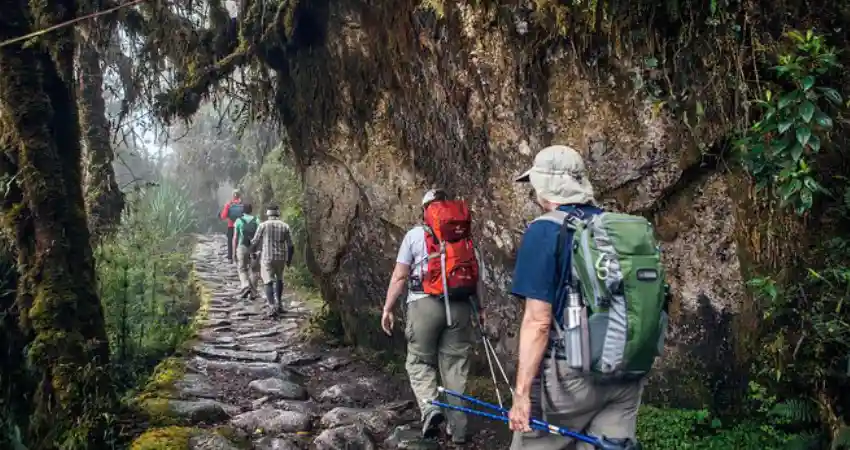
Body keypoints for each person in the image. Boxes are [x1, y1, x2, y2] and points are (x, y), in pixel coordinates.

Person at [508, 145, 666, 450]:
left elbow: (538, 322)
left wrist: (521, 394)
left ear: (546, 186)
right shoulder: (614, 228)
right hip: (626, 371)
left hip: (570, 378)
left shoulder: (544, 231)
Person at [380, 188, 484, 444]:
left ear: (425, 210)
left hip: (424, 305)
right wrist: (482, 309)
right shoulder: (464, 237)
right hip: (460, 307)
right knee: (455, 369)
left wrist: (388, 308)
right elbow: (477, 277)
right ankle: (458, 432)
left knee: (419, 362)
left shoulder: (415, 235)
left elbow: (400, 276)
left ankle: (431, 409)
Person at [250, 205, 294, 316]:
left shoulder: (263, 225)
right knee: (279, 279)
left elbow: (255, 241)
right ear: (278, 214)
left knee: (268, 281)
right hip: (281, 257)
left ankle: (271, 306)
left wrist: (252, 253)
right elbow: (290, 245)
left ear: (268, 214)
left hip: (267, 258)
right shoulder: (285, 226)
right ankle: (279, 304)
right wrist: (289, 259)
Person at [233, 203, 261, 299]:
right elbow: (260, 236)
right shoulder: (256, 220)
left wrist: (233, 252)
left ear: (243, 211)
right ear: (251, 210)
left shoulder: (238, 221)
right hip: (254, 248)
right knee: (255, 270)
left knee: (242, 268)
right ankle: (253, 292)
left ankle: (245, 286)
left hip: (242, 247)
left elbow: (235, 237)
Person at [220, 190, 244, 264]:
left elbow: (223, 216)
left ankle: (230, 258)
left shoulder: (229, 204)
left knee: (230, 241)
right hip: (240, 225)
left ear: (233, 195)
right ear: (239, 195)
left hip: (231, 225)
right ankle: (239, 257)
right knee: (240, 241)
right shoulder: (242, 205)